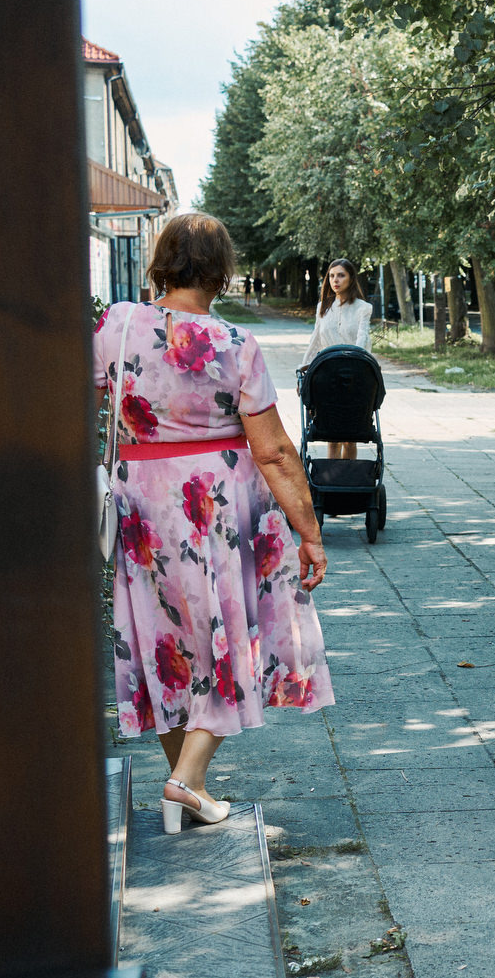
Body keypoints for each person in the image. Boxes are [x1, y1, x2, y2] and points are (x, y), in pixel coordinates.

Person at [95, 212, 333, 834]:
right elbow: (273, 451)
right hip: (216, 508)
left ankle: (188, 787)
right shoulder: (233, 344)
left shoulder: (117, 325)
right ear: (222, 272)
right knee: (230, 638)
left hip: (141, 507)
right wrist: (309, 532)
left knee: (165, 642)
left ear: (161, 263)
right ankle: (184, 781)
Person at [301, 258, 373, 461]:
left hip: (354, 377)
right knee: (331, 435)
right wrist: (303, 369)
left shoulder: (363, 308)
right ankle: (332, 474)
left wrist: (357, 364)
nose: (336, 280)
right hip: (328, 377)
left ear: (351, 278)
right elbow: (315, 340)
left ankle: (349, 474)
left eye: (341, 275)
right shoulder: (323, 307)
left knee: (350, 437)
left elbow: (362, 340)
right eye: (332, 276)